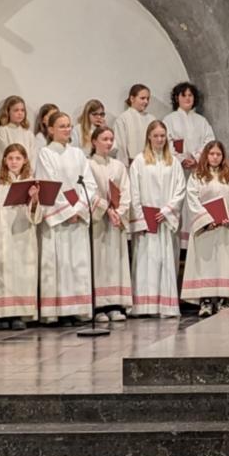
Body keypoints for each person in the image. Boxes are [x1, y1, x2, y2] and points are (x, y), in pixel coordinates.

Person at [35, 113, 96, 325]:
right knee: (58, 263)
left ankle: (78, 309)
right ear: (50, 129)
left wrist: (79, 208)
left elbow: (89, 182)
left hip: (77, 215)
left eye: (69, 126)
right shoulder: (45, 153)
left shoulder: (78, 154)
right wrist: (68, 212)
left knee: (77, 263)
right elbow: (49, 184)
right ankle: (56, 311)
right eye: (62, 126)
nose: (67, 130)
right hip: (59, 218)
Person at [0, 142, 41, 329]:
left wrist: (34, 199)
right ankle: (1, 315)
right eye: (10, 158)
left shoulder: (31, 181)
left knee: (23, 274)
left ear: (25, 161)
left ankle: (19, 315)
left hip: (23, 236)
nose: (14, 162)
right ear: (4, 160)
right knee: (2, 274)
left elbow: (37, 215)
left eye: (18, 158)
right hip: (2, 234)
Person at [129, 120, 187, 319]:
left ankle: (166, 305)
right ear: (149, 137)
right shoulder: (139, 161)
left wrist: (168, 210)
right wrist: (141, 219)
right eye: (156, 136)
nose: (160, 139)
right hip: (148, 221)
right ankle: (145, 306)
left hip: (165, 220)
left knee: (165, 260)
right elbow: (134, 192)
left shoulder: (174, 162)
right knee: (146, 260)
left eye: (163, 135)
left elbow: (180, 189)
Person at [184, 141, 229, 316]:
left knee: (223, 264)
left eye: (218, 154)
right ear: (206, 155)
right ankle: (205, 301)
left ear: (223, 156)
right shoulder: (197, 176)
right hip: (206, 229)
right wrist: (206, 220)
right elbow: (192, 199)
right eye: (211, 154)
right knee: (206, 264)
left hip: (224, 227)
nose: (215, 157)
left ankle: (221, 299)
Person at [84, 125, 135, 323]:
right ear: (94, 141)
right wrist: (107, 209)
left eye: (110, 139)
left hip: (115, 222)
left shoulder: (118, 166)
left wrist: (119, 212)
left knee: (116, 262)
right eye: (104, 139)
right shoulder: (88, 165)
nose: (108, 143)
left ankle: (115, 304)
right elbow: (88, 191)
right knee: (100, 261)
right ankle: (99, 306)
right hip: (99, 221)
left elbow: (126, 191)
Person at [164, 82, 215, 174]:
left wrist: (197, 158)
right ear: (176, 98)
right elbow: (166, 142)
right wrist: (181, 160)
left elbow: (210, 141)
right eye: (183, 95)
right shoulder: (169, 120)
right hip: (176, 168)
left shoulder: (202, 121)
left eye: (190, 95)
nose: (187, 98)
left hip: (198, 167)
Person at [0, 96, 38, 168]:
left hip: (26, 174)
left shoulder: (28, 134)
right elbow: (3, 155)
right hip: (8, 175)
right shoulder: (3, 131)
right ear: (8, 112)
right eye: (16, 110)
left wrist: (27, 172)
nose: (20, 113)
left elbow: (33, 157)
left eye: (22, 110)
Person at [113, 85, 153, 163]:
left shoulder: (152, 119)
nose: (146, 102)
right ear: (132, 98)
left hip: (151, 163)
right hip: (132, 164)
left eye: (148, 99)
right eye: (142, 98)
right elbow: (120, 147)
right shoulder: (123, 119)